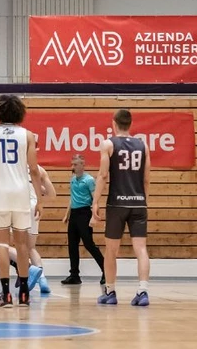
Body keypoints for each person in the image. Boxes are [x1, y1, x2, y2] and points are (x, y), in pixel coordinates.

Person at [0, 95, 43, 308]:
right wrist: (39, 200)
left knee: (2, 243)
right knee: (21, 244)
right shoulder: (27, 135)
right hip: (21, 193)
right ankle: (24, 293)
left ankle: (6, 294)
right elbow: (34, 170)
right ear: (19, 112)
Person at [93, 110, 151, 307]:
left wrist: (95, 202)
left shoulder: (108, 144)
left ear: (114, 123)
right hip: (138, 202)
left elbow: (103, 175)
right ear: (130, 124)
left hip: (117, 203)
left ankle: (110, 292)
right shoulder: (143, 145)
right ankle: (143, 291)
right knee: (141, 248)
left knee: (111, 250)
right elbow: (146, 178)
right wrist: (144, 201)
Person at [61, 154, 105, 286]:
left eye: (75, 164)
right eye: (72, 164)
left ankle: (106, 270)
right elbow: (72, 198)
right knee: (72, 245)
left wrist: (94, 215)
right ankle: (74, 275)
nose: (73, 167)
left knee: (88, 244)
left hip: (84, 213)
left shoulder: (89, 180)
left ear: (82, 165)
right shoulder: (73, 180)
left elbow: (95, 199)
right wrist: (67, 214)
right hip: (74, 214)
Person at [26, 163, 56, 294]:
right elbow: (52, 194)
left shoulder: (13, 165)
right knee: (31, 247)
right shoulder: (39, 169)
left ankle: (27, 273)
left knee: (10, 245)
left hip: (19, 205)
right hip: (34, 205)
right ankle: (42, 278)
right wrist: (38, 190)